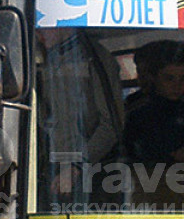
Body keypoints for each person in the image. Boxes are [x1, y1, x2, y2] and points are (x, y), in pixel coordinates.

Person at [36, 28, 125, 204]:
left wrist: (76, 167)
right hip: (49, 168)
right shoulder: (44, 57)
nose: (37, 32)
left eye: (43, 26)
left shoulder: (94, 57)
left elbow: (112, 124)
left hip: (91, 171)